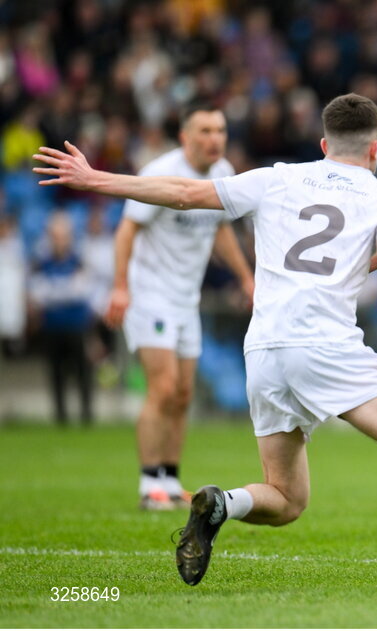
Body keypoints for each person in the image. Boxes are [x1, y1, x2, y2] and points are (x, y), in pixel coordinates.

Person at [34, 93, 377, 593]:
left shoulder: (278, 177)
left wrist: (95, 179)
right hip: (326, 348)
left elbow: (185, 194)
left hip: (265, 353)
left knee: (287, 498)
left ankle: (222, 504)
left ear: (323, 144)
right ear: (376, 150)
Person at [104, 101, 255, 511]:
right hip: (150, 293)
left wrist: (245, 276)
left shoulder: (223, 174)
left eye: (220, 131)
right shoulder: (159, 174)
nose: (215, 139)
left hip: (187, 299)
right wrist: (120, 287)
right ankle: (148, 482)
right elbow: (126, 229)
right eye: (205, 131)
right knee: (164, 387)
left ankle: (169, 480)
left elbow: (221, 230)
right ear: (185, 137)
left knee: (184, 392)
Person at [29, 212, 95, 425]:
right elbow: (38, 293)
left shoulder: (78, 260)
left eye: (63, 235)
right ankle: (61, 416)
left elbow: (81, 290)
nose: (59, 240)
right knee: (56, 372)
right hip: (53, 326)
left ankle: (86, 415)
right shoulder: (42, 263)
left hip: (77, 325)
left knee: (82, 371)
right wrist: (64, 290)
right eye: (55, 236)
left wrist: (55, 291)